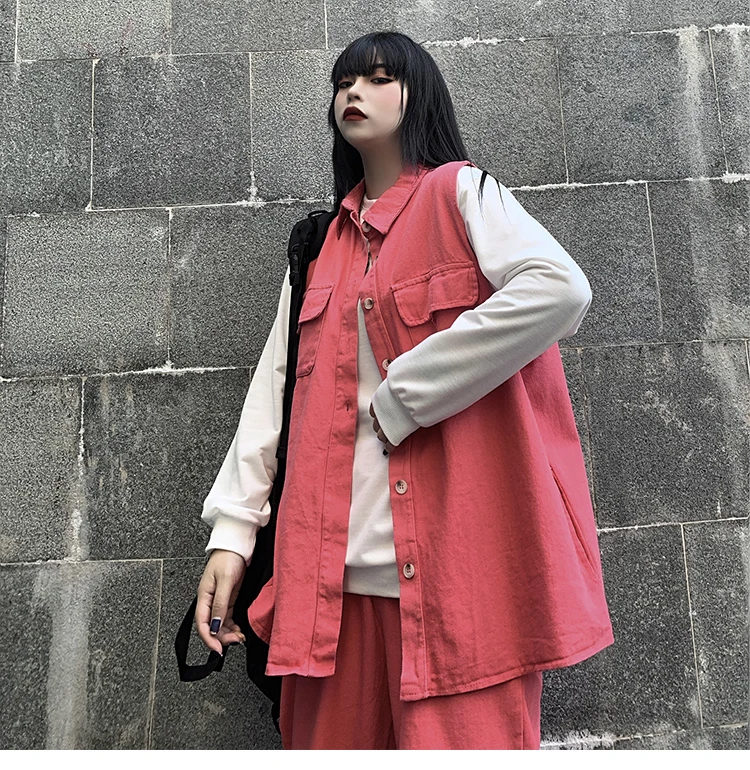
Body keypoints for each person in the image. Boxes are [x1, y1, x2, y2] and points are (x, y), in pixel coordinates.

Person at [194, 31, 614, 750]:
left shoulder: (463, 194)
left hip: (461, 593)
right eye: (344, 82)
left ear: (420, 97)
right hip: (328, 596)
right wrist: (231, 537)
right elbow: (272, 397)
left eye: (380, 78)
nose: (355, 93)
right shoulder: (318, 247)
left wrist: (406, 394)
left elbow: (559, 289)